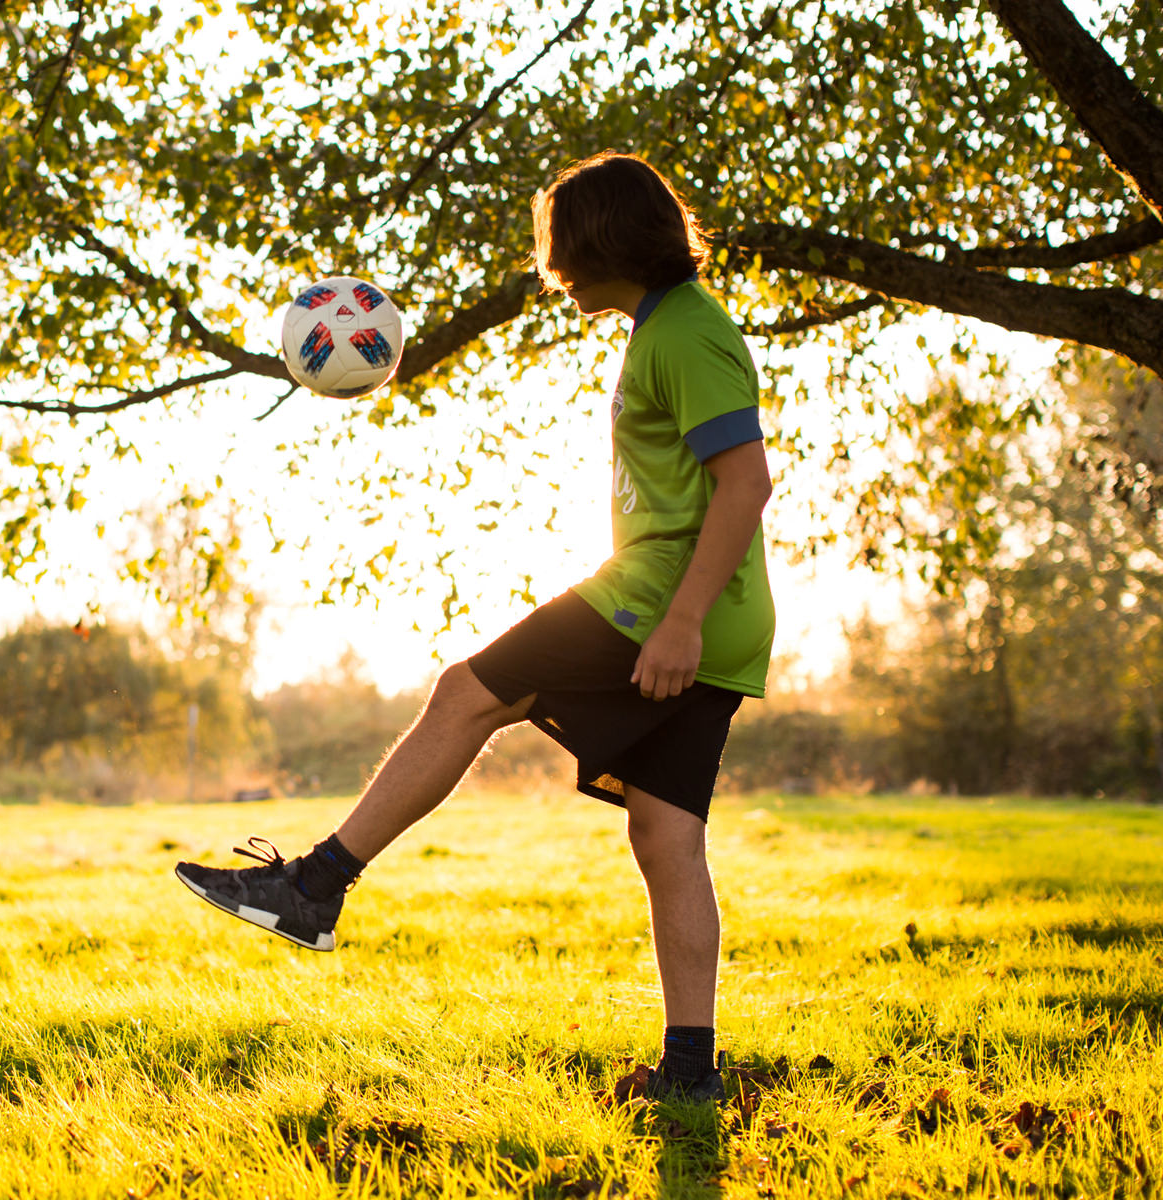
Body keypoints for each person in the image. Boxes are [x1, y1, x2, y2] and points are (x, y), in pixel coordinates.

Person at [175, 150, 774, 1104]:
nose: (552, 264)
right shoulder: (665, 328)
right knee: (667, 840)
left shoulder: (685, 336)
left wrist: (683, 621)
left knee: (465, 693)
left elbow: (745, 481)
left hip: (659, 601)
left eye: (557, 243)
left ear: (598, 239)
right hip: (700, 614)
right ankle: (692, 1074)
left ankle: (316, 886)